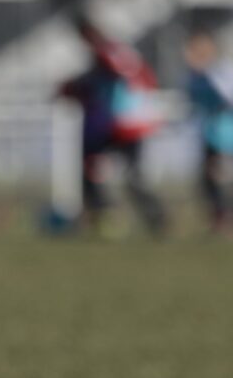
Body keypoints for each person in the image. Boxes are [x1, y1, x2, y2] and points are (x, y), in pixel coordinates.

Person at [56, 13, 167, 235]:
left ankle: (153, 217)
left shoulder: (109, 52)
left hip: (129, 124)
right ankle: (101, 214)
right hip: (121, 124)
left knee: (129, 175)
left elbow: (119, 73)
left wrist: (77, 85)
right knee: (96, 166)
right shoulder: (112, 53)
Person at [182, 30, 233, 234]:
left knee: (224, 178)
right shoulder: (194, 74)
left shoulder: (224, 69)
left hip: (230, 135)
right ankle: (220, 220)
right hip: (210, 132)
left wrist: (206, 75)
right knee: (209, 179)